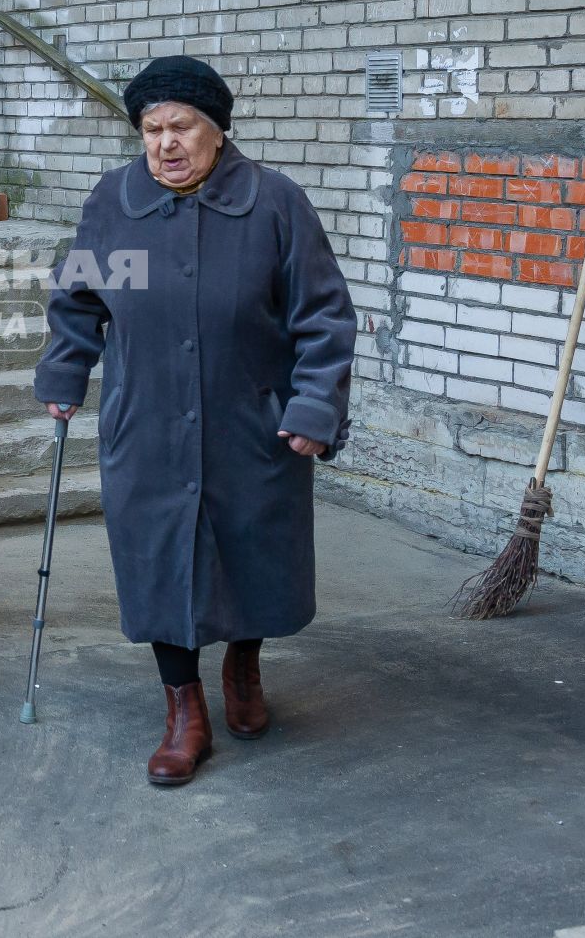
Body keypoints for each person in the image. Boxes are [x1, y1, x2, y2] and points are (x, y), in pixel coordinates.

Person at [33, 56, 355, 787]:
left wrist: (313, 409)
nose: (165, 144)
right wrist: (64, 370)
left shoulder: (274, 203)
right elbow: (81, 297)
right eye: (151, 130)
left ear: (216, 132)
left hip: (251, 420)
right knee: (156, 563)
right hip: (145, 421)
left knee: (252, 555)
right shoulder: (116, 203)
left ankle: (244, 664)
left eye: (181, 127)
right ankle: (185, 709)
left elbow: (324, 316)